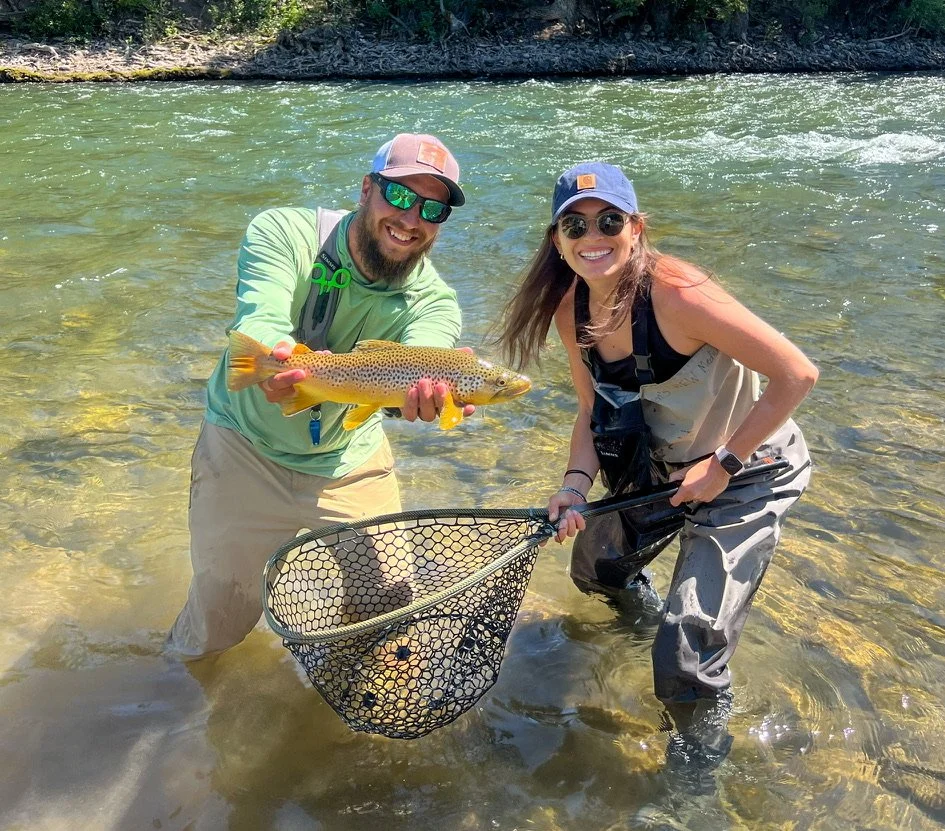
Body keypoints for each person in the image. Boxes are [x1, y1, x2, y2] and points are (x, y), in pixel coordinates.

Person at [498, 161, 818, 708]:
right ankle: (640, 638)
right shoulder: (568, 310)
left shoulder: (680, 293)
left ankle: (691, 779)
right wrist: (574, 486)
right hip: (660, 471)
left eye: (609, 222)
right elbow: (587, 410)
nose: (592, 238)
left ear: (636, 228)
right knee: (596, 572)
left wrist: (725, 465)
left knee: (687, 652)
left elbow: (797, 373)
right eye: (574, 227)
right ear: (556, 241)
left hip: (750, 470)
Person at [167, 133, 474, 659]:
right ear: (366, 189)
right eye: (399, 196)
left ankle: (346, 721)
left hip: (347, 461)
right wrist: (272, 352)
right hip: (245, 449)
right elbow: (259, 313)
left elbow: (428, 356)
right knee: (216, 627)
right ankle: (172, 709)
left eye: (432, 209)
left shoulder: (434, 303)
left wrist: (423, 398)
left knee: (386, 612)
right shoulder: (284, 231)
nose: (411, 219)